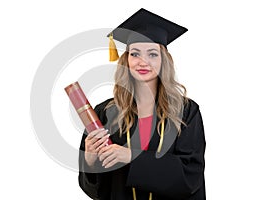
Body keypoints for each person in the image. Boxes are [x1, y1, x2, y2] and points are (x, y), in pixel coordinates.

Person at [78, 8, 206, 200]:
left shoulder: (186, 111)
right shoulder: (106, 112)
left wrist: (130, 156)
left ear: (164, 61)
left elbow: (190, 175)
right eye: (135, 54)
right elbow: (96, 191)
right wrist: (90, 160)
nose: (143, 62)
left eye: (152, 54)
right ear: (126, 60)